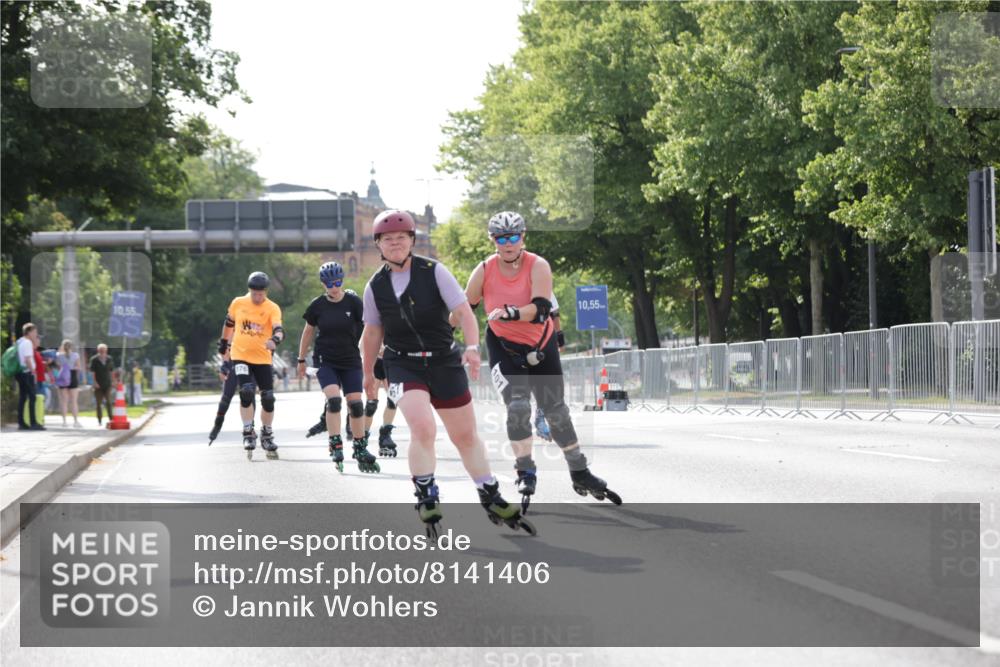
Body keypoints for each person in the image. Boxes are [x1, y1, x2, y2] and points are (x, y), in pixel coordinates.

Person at [360, 209, 533, 536]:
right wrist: (368, 374)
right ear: (379, 245)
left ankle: (490, 493)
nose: (395, 244)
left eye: (401, 238)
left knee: (465, 436)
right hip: (402, 362)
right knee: (422, 427)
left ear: (412, 240)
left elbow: (464, 311)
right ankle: (426, 493)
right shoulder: (375, 286)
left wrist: (471, 347)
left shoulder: (434, 272)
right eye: (387, 239)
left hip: (443, 359)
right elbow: (371, 334)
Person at [460, 211, 620, 511]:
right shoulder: (483, 269)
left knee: (556, 411)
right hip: (503, 347)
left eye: (514, 237)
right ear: (492, 240)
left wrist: (511, 312)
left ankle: (580, 471)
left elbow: (542, 309)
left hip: (541, 343)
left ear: (524, 236)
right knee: (518, 406)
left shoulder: (538, 265)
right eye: (501, 238)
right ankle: (525, 469)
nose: (508, 243)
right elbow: (463, 309)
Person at [297, 261, 374, 473]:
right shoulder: (317, 306)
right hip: (326, 360)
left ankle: (359, 446)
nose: (334, 286)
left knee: (357, 405)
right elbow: (308, 333)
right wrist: (301, 359)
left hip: (350, 360)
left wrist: (375, 354)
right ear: (323, 283)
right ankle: (335, 442)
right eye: (329, 283)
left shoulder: (353, 302)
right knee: (334, 400)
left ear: (343, 280)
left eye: (338, 281)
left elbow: (369, 328)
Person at [218, 271, 284, 460]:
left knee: (268, 398)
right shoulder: (238, 303)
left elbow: (279, 329)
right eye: (255, 293)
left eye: (261, 294)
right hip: (240, 355)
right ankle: (248, 431)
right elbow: (229, 323)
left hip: (263, 357)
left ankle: (267, 433)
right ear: (250, 290)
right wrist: (223, 343)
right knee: (246, 391)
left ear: (266, 292)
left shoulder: (272, 308)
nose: (258, 297)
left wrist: (275, 340)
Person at [207, 352, 255, 445]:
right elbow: (224, 344)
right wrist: (225, 363)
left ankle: (250, 428)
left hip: (250, 362)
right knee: (226, 398)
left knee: (249, 395)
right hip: (233, 362)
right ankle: (218, 424)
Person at [14, 323, 44, 430]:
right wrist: (33, 372)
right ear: (29, 332)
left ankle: (21, 423)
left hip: (20, 372)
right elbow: (27, 359)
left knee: (23, 397)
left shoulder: (20, 341)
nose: (35, 335)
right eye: (35, 332)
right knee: (32, 397)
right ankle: (33, 423)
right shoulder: (27, 343)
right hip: (26, 372)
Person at [55, 339, 82, 428]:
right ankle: (75, 421)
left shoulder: (59, 355)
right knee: (74, 401)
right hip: (72, 376)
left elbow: (58, 366)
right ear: (71, 347)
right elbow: (78, 367)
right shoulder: (75, 355)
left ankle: (64, 421)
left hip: (63, 377)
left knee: (64, 401)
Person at [89, 344, 115, 425]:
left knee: (108, 401)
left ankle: (111, 418)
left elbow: (111, 371)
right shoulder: (94, 360)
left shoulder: (109, 359)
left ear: (106, 350)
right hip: (98, 384)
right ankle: (99, 419)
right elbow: (92, 372)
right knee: (98, 403)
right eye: (101, 350)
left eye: (104, 350)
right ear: (98, 350)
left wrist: (113, 381)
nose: (102, 351)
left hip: (107, 383)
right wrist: (94, 382)